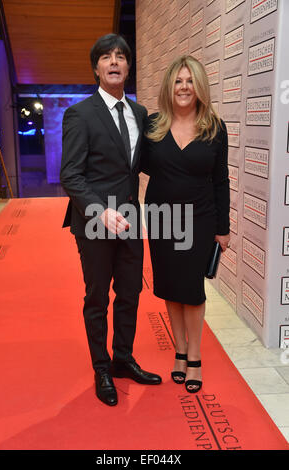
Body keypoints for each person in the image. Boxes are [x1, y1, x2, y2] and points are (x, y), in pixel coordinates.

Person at [60, 34, 162, 407]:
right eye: (106, 56)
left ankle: (122, 358)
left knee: (131, 293)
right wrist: (99, 210)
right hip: (94, 221)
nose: (115, 62)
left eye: (121, 56)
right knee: (97, 297)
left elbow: (145, 165)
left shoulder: (139, 113)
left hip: (131, 220)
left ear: (128, 67)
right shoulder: (80, 114)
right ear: (96, 68)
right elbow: (71, 174)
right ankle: (100, 367)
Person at [142, 55, 230, 393]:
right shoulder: (153, 125)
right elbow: (140, 166)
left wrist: (223, 228)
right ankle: (179, 351)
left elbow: (221, 180)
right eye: (178, 81)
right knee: (169, 287)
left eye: (190, 80)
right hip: (162, 218)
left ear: (199, 86)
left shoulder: (214, 127)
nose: (183, 87)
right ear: (169, 86)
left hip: (200, 219)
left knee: (192, 291)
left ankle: (194, 357)